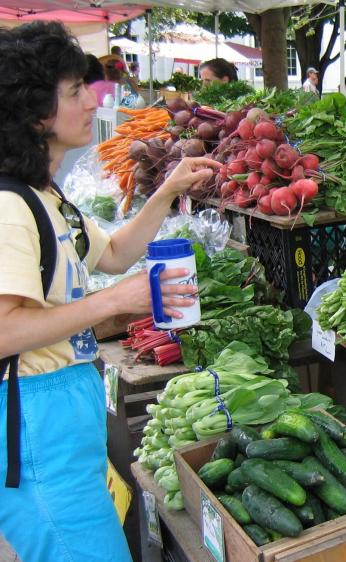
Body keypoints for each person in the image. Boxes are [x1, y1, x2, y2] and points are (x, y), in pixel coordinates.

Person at [0, 21, 222, 561]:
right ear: (35, 113)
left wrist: (168, 190)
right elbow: (5, 329)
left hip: (65, 413)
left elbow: (116, 253)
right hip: (35, 422)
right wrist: (112, 302)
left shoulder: (46, 196)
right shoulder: (10, 207)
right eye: (75, 91)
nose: (91, 101)